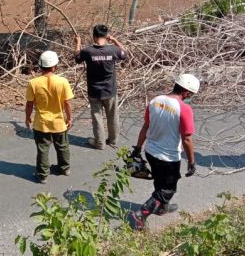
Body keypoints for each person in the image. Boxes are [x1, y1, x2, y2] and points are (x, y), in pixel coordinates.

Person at [127, 74, 199, 230]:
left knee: (160, 181)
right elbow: (187, 139)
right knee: (167, 189)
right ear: (186, 93)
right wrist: (191, 162)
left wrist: (138, 149)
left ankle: (162, 208)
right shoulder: (184, 109)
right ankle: (140, 214)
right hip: (168, 156)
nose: (190, 97)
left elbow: (145, 126)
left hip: (150, 151)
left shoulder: (155, 101)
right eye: (191, 95)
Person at [74, 25, 127, 149]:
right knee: (113, 116)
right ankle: (113, 141)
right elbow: (124, 53)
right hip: (110, 91)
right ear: (106, 35)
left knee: (97, 117)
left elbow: (77, 57)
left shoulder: (88, 51)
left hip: (94, 91)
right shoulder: (113, 50)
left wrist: (78, 43)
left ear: (94, 36)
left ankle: (100, 143)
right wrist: (114, 40)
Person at [25, 51, 74, 184]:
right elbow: (67, 103)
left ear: (40, 66)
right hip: (59, 122)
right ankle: (64, 168)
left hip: (41, 123)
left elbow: (29, 104)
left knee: (42, 149)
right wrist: (69, 118)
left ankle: (42, 175)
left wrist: (27, 117)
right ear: (55, 66)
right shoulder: (63, 81)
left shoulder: (33, 83)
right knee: (63, 146)